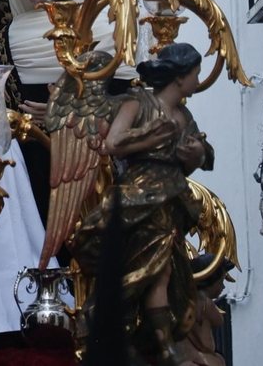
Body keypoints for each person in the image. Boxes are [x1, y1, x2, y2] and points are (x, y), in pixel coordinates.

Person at [72, 43, 214, 366]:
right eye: (195, 74)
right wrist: (153, 136)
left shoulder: (184, 115)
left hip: (171, 200)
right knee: (149, 270)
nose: (198, 81)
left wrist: (197, 155)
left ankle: (151, 340)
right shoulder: (139, 102)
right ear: (179, 77)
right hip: (140, 197)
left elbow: (201, 157)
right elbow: (111, 144)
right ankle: (155, 344)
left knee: (165, 274)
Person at [0, 0, 118, 222]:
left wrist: (68, 112)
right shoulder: (15, 32)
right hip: (41, 161)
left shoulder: (101, 21)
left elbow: (127, 94)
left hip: (101, 157)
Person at [178, 254, 233, 366]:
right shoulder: (205, 303)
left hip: (192, 354)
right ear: (208, 282)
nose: (222, 287)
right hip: (202, 355)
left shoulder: (186, 303)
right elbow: (219, 320)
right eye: (220, 282)